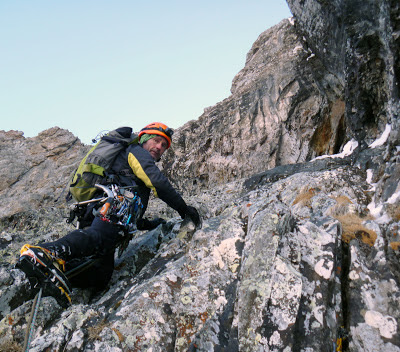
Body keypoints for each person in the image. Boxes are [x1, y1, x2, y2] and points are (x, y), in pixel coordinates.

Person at [16, 122, 201, 307]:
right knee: (98, 238)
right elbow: (157, 182)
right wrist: (184, 209)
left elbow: (131, 213)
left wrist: (149, 224)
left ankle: (59, 270)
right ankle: (44, 252)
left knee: (101, 274)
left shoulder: (129, 161)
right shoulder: (136, 152)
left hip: (103, 208)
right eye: (156, 140)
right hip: (112, 206)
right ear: (144, 138)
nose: (159, 147)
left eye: (164, 145)